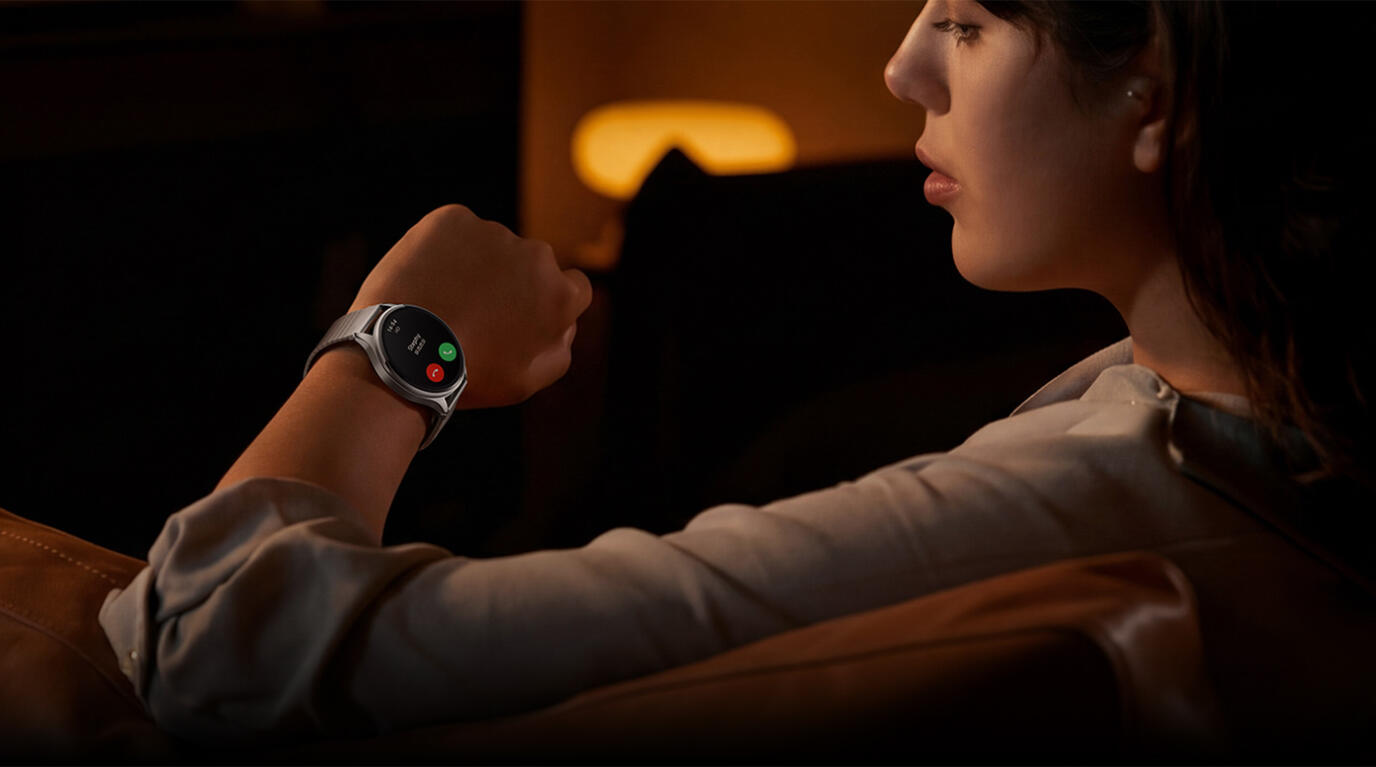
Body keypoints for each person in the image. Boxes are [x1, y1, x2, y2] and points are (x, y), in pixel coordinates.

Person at [99, 0, 1376, 755]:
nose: (902, 67)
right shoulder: (1236, 399)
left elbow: (208, 635)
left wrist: (396, 339)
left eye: (967, 22)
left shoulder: (1092, 510)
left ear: (1154, 91)